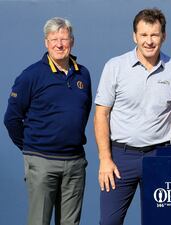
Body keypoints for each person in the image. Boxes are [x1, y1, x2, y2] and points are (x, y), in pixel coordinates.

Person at [94, 8, 171, 225]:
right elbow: (101, 114)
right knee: (109, 222)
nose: (149, 41)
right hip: (121, 159)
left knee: (162, 221)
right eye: (144, 35)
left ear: (164, 36)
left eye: (154, 35)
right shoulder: (115, 67)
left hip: (161, 157)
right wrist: (105, 159)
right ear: (134, 36)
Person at [3, 17, 92, 225]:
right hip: (42, 162)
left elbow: (84, 111)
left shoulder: (83, 74)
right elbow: (12, 119)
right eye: (54, 39)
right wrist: (30, 149)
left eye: (64, 38)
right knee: (39, 222)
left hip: (75, 162)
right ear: (46, 42)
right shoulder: (31, 75)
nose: (59, 44)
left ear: (72, 41)